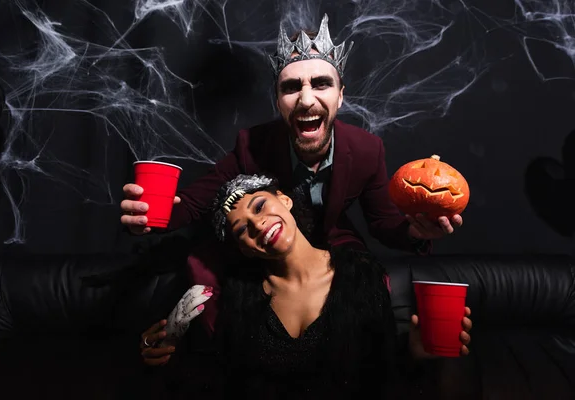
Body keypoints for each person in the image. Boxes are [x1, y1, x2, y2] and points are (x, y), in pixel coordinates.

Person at [120, 14, 463, 254]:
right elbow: (194, 203)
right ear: (278, 101)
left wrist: (416, 234)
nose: (306, 98)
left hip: (336, 251)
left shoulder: (367, 150)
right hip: (272, 256)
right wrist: (149, 218)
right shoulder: (251, 145)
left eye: (321, 83)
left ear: (340, 96)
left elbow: (383, 223)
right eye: (291, 87)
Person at [138, 174, 472, 398]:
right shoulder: (239, 295)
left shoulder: (361, 274)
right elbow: (224, 382)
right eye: (242, 230)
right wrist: (165, 356)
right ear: (242, 248)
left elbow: (380, 377)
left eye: (260, 206)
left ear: (283, 199)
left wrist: (416, 352)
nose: (258, 225)